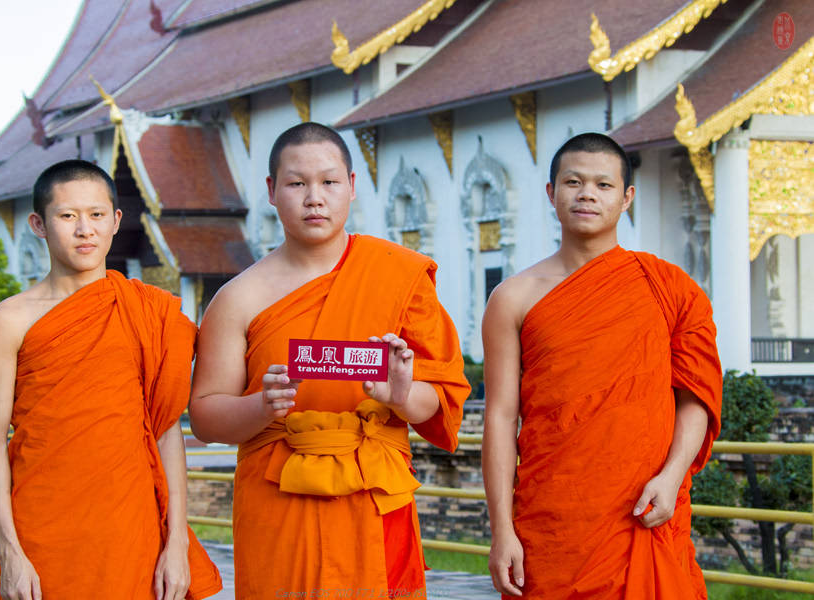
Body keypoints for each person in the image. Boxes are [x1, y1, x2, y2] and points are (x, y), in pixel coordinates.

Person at [189, 122, 470, 598]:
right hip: (278, 491)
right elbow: (205, 416)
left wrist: (399, 394)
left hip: (374, 494)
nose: (314, 198)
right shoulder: (237, 299)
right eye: (297, 183)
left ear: (353, 187)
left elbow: (439, 404)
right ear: (272, 191)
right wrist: (260, 406)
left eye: (329, 182)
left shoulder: (398, 275)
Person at [481, 133, 722, 599]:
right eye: (573, 182)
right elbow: (500, 416)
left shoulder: (670, 288)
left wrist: (672, 478)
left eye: (603, 185)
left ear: (626, 197)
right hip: (554, 517)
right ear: (551, 193)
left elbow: (696, 396)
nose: (587, 193)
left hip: (644, 506)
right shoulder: (514, 297)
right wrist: (501, 530)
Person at [0, 160, 222, 600]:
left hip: (132, 526)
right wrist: (9, 553)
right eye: (67, 216)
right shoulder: (7, 321)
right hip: (44, 527)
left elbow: (165, 430)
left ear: (115, 221)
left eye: (96, 215)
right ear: (39, 224)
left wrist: (178, 543)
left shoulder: (146, 311)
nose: (84, 230)